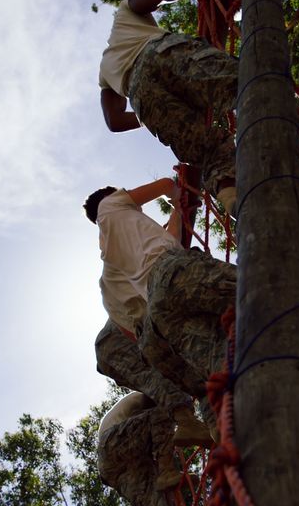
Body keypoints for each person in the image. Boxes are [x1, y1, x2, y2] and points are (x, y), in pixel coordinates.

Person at [85, 178, 236, 423]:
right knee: (256, 288)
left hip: (158, 313)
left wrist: (179, 210)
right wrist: (178, 192)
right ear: (112, 195)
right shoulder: (110, 204)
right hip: (172, 272)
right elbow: (165, 184)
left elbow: (171, 239)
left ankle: (219, 424)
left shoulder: (111, 253)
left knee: (212, 369)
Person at [98, 0, 239, 212]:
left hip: (142, 96)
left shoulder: (104, 70)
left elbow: (114, 120)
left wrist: (149, 114)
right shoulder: (124, 12)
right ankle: (292, 113)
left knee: (208, 148)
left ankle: (232, 197)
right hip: (158, 53)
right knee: (237, 81)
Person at [97, 391, 188, 506]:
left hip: (113, 468)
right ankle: (167, 471)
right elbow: (160, 407)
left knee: (154, 502)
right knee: (163, 412)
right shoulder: (146, 395)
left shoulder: (136, 414)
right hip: (112, 443)